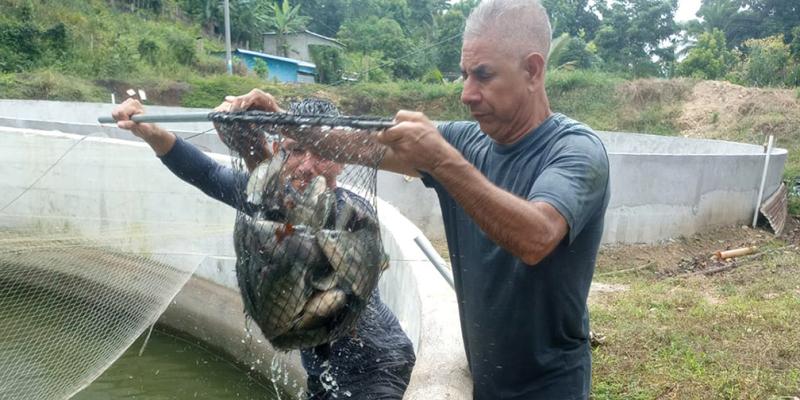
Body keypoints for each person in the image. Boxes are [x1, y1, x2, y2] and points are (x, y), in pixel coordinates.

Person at [227, 0, 610, 397]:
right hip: (487, 381)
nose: (467, 93)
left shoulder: (576, 150)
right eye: (464, 75)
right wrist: (284, 120)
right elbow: (360, 144)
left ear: (533, 70)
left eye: (483, 75)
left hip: (551, 386)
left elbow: (537, 238)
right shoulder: (467, 140)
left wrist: (443, 160)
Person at [111, 97, 416, 400]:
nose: (307, 166)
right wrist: (151, 132)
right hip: (323, 373)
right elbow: (207, 174)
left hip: (378, 368)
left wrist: (253, 150)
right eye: (295, 150)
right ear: (281, 153)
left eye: (321, 151)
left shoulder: (351, 212)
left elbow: (298, 225)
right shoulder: (266, 195)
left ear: (342, 159)